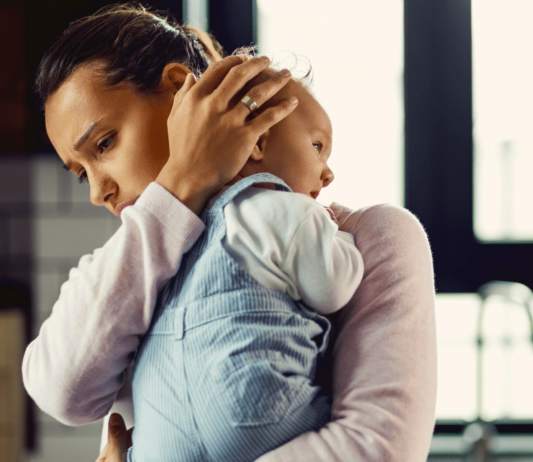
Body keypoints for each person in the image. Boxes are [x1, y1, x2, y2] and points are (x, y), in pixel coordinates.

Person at [22, 3, 437, 461]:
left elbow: (378, 451)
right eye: (81, 173)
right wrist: (178, 189)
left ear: (180, 88)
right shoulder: (119, 268)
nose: (98, 191)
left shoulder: (365, 236)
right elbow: (65, 393)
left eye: (104, 144)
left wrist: (181, 181)